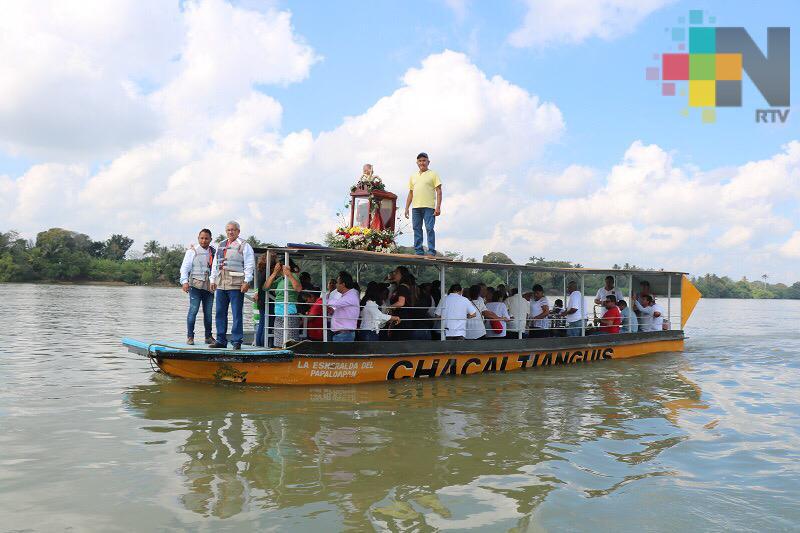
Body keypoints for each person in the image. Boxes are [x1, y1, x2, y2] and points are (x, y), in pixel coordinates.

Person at [210, 221, 255, 349]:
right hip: (221, 283)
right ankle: (220, 340)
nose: (231, 232)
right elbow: (215, 264)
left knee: (236, 313)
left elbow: (249, 265)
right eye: (228, 230)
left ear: (238, 231)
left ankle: (236, 341)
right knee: (220, 313)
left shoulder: (245, 245)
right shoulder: (221, 244)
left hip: (236, 284)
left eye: (233, 230)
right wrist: (212, 280)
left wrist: (247, 281)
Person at [179, 228, 216, 345]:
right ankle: (190, 336)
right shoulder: (192, 251)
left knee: (208, 312)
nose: (204, 240)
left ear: (211, 239)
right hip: (195, 285)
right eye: (202, 238)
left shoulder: (214, 252)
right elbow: (185, 268)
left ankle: (208, 337)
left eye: (206, 238)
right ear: (198, 238)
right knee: (193, 310)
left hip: (209, 286)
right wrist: (184, 282)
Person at [404, 152, 442, 256]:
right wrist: (407, 208)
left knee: (429, 228)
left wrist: (438, 207)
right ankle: (419, 251)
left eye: (424, 160)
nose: (422, 163)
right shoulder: (413, 176)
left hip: (429, 207)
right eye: (420, 161)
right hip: (415, 207)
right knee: (416, 228)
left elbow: (439, 191)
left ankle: (431, 251)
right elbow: (411, 193)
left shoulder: (433, 174)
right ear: (417, 162)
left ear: (428, 162)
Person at [266, 257, 303, 347]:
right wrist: (274, 273)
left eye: (277, 265)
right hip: (278, 312)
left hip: (289, 311)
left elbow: (298, 288)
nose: (276, 266)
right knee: (278, 341)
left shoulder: (293, 276)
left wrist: (289, 274)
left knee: (290, 340)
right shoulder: (280, 279)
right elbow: (265, 287)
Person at [387, 266, 424, 340]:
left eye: (396, 272)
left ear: (402, 275)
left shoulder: (402, 287)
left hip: (401, 319)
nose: (394, 274)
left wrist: (388, 307)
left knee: (397, 340)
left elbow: (401, 303)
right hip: (404, 318)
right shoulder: (405, 287)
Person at [327, 271, 361, 342]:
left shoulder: (351, 295)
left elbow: (334, 303)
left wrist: (324, 299)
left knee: (340, 352)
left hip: (344, 335)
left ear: (343, 284)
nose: (336, 285)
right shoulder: (349, 294)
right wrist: (334, 312)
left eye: (337, 283)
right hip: (343, 334)